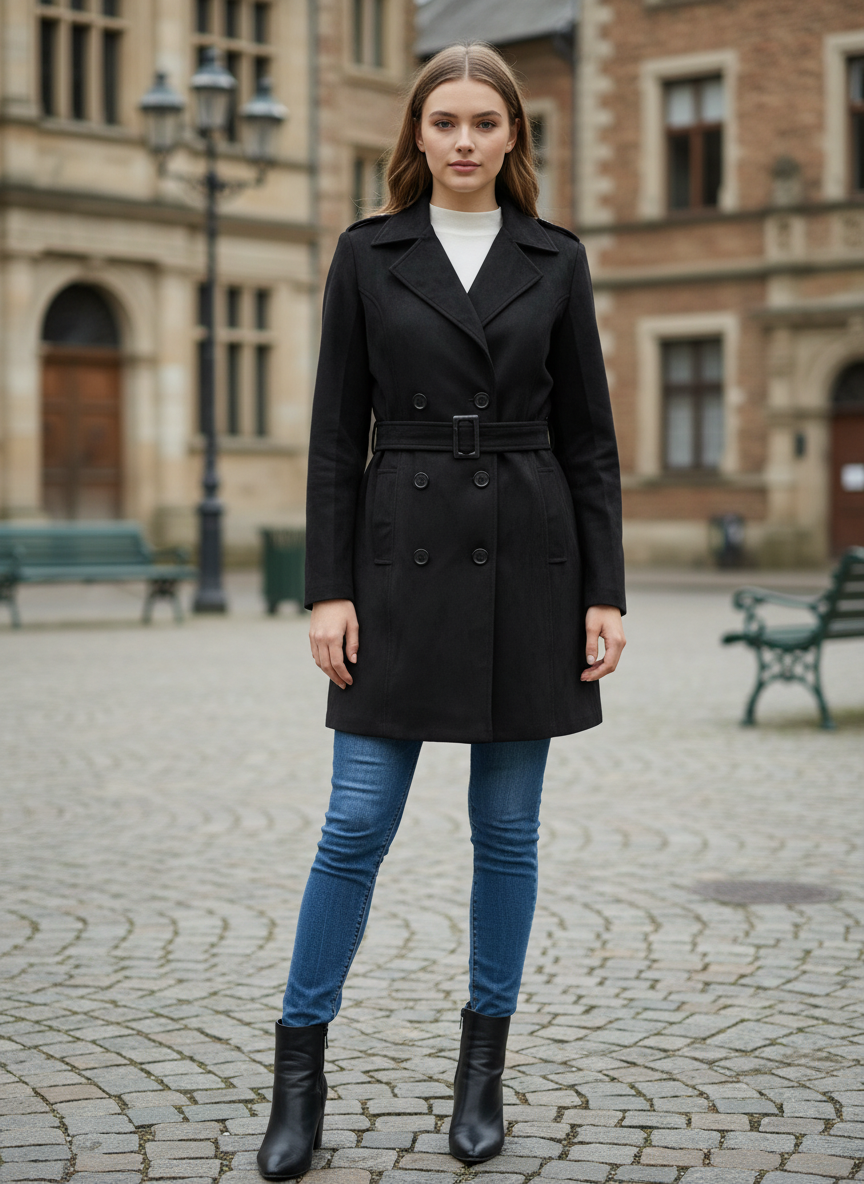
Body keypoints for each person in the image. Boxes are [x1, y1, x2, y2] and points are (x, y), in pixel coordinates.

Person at [257, 41, 626, 1181]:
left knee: (506, 835)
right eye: (445, 121)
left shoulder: (556, 258)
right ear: (415, 134)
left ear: (515, 137)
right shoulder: (366, 254)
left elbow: (590, 441)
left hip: (531, 564)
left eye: (485, 122)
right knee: (355, 823)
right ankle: (298, 1075)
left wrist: (605, 591)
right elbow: (334, 436)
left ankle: (482, 1073)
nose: (465, 141)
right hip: (396, 565)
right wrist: (328, 588)